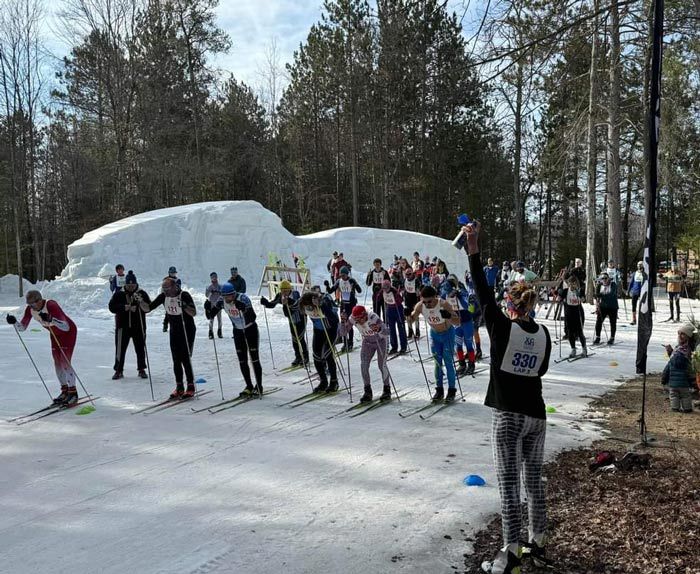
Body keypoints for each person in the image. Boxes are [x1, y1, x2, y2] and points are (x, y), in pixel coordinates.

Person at [462, 221, 552, 574]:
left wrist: (473, 249)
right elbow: (541, 370)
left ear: (510, 305)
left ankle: (510, 555)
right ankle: (538, 543)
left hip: (509, 416)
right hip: (537, 415)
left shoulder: (502, 327)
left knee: (509, 487)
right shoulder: (542, 332)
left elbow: (483, 292)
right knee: (534, 482)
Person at [6, 290, 80, 406]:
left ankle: (73, 393)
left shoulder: (51, 305)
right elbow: (22, 328)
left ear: (39, 301)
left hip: (68, 333)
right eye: (29, 304)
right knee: (57, 363)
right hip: (54, 334)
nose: (31, 307)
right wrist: (14, 322)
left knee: (65, 362)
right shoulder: (30, 310)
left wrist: (51, 319)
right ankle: (65, 391)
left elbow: (66, 326)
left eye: (33, 304)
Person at [141, 276, 197, 399]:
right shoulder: (163, 297)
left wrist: (184, 306)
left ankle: (191, 386)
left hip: (187, 330)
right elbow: (148, 308)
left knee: (185, 358)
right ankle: (179, 387)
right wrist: (140, 301)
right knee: (176, 359)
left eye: (167, 288)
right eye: (163, 288)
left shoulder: (184, 295)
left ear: (175, 286)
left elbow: (194, 312)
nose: (165, 290)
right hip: (174, 330)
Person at [410, 285, 459, 401]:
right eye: (424, 301)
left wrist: (449, 317)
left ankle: (452, 390)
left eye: (429, 301)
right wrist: (407, 315)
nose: (427, 304)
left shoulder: (444, 304)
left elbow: (457, 322)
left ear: (435, 297)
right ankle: (439, 390)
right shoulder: (420, 306)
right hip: (435, 335)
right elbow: (411, 320)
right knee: (437, 363)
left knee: (448, 362)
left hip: (447, 334)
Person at [215, 283, 263, 397]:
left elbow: (253, 317)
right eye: (224, 296)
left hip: (250, 329)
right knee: (242, 360)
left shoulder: (243, 298)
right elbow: (210, 314)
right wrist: (209, 309)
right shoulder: (222, 300)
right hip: (238, 331)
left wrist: (245, 309)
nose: (226, 299)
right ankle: (249, 386)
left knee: (254, 359)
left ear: (233, 294)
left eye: (229, 296)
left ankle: (259, 386)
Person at [338, 306, 391, 403]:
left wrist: (378, 329)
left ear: (365, 315)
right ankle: (367, 391)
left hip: (381, 341)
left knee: (381, 365)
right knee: (364, 366)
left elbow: (387, 332)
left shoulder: (373, 317)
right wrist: (342, 322)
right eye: (356, 320)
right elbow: (342, 333)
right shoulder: (352, 319)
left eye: (361, 319)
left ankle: (387, 389)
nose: (359, 322)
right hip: (367, 342)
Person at [108, 270, 150, 379]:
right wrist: (124, 307)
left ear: (136, 284)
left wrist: (141, 301)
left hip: (138, 326)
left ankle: (141, 369)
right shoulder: (119, 294)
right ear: (125, 284)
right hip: (122, 326)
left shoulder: (142, 293)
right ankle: (118, 370)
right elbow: (111, 307)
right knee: (120, 349)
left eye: (133, 285)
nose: (131, 287)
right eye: (129, 285)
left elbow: (148, 308)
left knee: (140, 348)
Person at [260, 280, 309, 367]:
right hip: (292, 319)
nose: (284, 293)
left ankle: (305, 357)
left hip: (301, 317)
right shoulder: (280, 296)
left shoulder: (295, 294)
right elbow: (273, 304)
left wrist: (287, 301)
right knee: (294, 339)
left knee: (300, 337)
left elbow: (295, 304)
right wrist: (266, 303)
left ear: (290, 290)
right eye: (282, 291)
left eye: (286, 291)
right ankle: (298, 357)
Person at [300, 289, 339, 393]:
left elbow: (334, 319)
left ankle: (334, 381)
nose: (308, 308)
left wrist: (321, 306)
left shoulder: (324, 301)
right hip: (318, 331)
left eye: (309, 306)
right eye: (306, 307)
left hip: (331, 329)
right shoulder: (304, 305)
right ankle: (323, 381)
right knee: (316, 356)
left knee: (327, 354)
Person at [443, 275, 478, 375]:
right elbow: (441, 303)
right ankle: (462, 364)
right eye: (447, 292)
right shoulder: (445, 294)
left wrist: (459, 296)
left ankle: (471, 364)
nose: (448, 294)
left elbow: (469, 308)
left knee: (468, 345)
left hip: (467, 322)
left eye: (450, 292)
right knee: (458, 345)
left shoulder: (462, 292)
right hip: (456, 324)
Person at [662, 323, 697, 413]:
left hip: (676, 380)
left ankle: (675, 408)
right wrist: (671, 352)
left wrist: (671, 353)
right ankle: (687, 408)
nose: (680, 336)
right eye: (679, 333)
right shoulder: (680, 348)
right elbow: (675, 362)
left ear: (688, 336)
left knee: (675, 395)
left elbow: (675, 362)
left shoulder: (685, 349)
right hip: (683, 381)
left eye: (683, 334)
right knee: (684, 395)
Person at [325, 266, 361, 351]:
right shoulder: (339, 281)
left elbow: (359, 291)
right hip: (343, 305)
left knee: (349, 324)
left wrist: (355, 285)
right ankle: (345, 343)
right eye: (341, 275)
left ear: (347, 274)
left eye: (344, 275)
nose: (343, 277)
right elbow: (330, 291)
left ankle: (350, 343)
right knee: (343, 324)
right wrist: (327, 285)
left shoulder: (351, 280)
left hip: (351, 305)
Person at [376, 279, 408, 355]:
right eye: (383, 288)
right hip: (389, 309)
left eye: (386, 288)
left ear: (389, 286)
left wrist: (396, 297)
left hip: (398, 309)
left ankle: (403, 346)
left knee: (401, 328)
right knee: (391, 329)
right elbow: (378, 298)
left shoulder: (394, 291)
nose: (385, 290)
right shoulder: (382, 291)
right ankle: (394, 347)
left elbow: (401, 300)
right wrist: (377, 294)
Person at [559, 274, 587, 358]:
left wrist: (579, 295)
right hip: (569, 312)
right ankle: (573, 349)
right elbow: (559, 297)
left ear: (576, 284)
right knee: (570, 332)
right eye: (570, 283)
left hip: (577, 312)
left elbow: (583, 300)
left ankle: (584, 348)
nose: (571, 285)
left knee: (579, 332)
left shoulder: (579, 290)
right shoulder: (565, 291)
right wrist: (559, 295)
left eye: (573, 283)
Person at [594, 272, 618, 345]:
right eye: (602, 278)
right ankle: (597, 337)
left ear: (608, 278)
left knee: (613, 322)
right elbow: (596, 295)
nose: (604, 280)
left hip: (612, 306)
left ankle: (612, 338)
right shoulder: (599, 285)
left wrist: (601, 295)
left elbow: (611, 294)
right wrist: (597, 298)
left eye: (605, 278)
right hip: (603, 306)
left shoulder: (613, 284)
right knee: (599, 321)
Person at [402, 267, 421, 340]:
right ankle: (410, 331)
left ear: (412, 273)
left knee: (416, 315)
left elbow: (419, 291)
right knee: (407, 316)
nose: (408, 275)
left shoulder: (416, 281)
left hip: (415, 299)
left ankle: (417, 331)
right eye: (406, 274)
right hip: (407, 299)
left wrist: (418, 291)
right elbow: (404, 289)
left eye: (409, 274)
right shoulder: (405, 280)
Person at [162, 266, 182, 333]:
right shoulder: (165, 280)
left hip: (175, 298)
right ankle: (165, 325)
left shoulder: (177, 280)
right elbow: (163, 289)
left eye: (174, 273)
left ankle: (173, 325)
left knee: (175, 311)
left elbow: (179, 289)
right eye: (172, 273)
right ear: (169, 273)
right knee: (168, 311)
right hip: (167, 297)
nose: (173, 274)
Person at [205, 272, 223, 339]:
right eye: (212, 277)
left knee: (219, 319)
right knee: (211, 319)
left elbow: (222, 295)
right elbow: (206, 295)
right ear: (211, 278)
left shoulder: (220, 286)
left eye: (215, 276)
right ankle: (210, 332)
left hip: (218, 304)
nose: (214, 278)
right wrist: (209, 291)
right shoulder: (209, 286)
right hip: (212, 304)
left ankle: (219, 331)